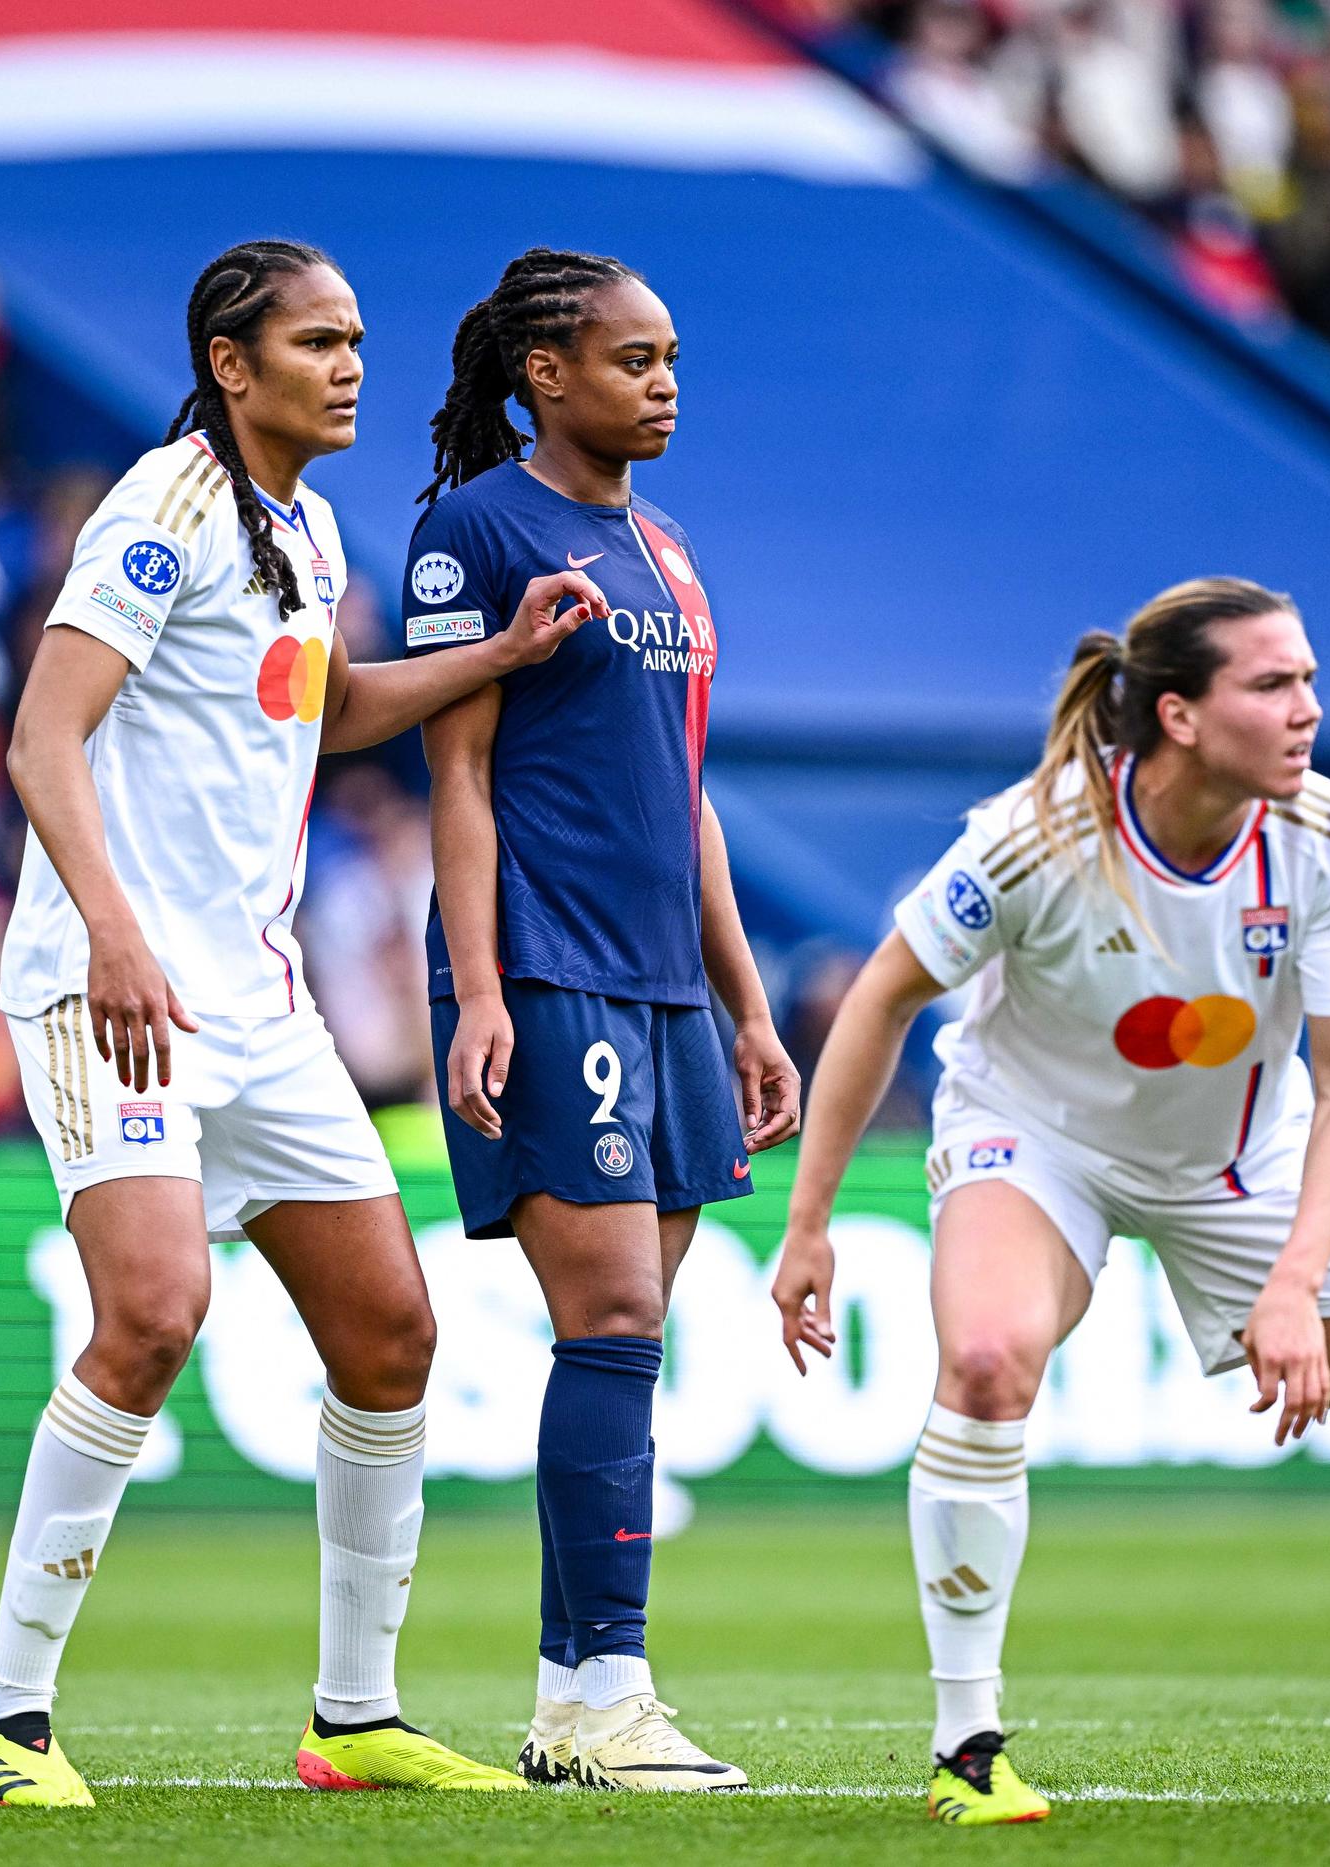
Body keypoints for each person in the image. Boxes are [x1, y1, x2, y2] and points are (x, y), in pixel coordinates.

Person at [768, 579, 1330, 1823]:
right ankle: (965, 1747)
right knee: (982, 1362)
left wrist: (1291, 1286)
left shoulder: (1327, 836)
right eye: (1274, 684)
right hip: (1038, 1139)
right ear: (1178, 714)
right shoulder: (1034, 837)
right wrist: (809, 1223)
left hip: (1247, 1160)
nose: (1310, 710)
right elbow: (879, 999)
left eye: (1308, 679)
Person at [0, 240, 599, 1807]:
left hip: (256, 998)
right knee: (154, 1311)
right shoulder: (164, 505)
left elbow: (307, 709)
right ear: (232, 365)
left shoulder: (306, 527)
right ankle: (6, 1718)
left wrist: (490, 659)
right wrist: (112, 931)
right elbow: (43, 736)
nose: (352, 364)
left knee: (391, 1332)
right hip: (116, 986)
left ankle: (357, 1715)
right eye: (317, 341)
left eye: (359, 339)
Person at [409, 248, 801, 1791]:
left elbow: (686, 802)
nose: (665, 383)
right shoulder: (475, 529)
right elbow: (456, 773)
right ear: (543, 375)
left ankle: (577, 1701)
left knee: (626, 1336)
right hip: (553, 967)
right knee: (617, 1319)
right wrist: (483, 987)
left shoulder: (673, 551)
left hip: (667, 987)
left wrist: (750, 1008)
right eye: (634, 359)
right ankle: (610, 1689)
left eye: (674, 358)